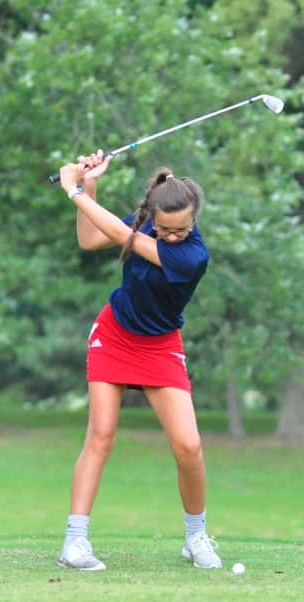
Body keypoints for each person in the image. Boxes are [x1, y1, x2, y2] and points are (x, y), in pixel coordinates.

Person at [54, 150, 222, 571]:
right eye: (164, 229)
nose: (172, 236)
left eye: (181, 229)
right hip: (114, 335)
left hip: (159, 346)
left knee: (189, 446)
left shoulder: (192, 256)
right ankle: (74, 543)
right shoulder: (146, 222)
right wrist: (91, 185)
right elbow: (91, 239)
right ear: (154, 217)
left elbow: (115, 229)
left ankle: (196, 537)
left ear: (194, 220)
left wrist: (74, 190)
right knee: (101, 436)